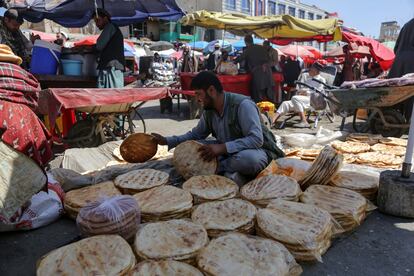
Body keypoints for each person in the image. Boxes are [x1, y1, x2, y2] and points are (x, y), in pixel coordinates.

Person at [152, 71, 284, 185]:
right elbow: (195, 135)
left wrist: (222, 148)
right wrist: (167, 141)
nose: (197, 99)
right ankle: (221, 169)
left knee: (250, 160)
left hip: (254, 151)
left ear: (211, 91)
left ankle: (216, 168)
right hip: (225, 153)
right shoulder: (209, 110)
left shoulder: (243, 105)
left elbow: (256, 140)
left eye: (199, 94)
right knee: (195, 148)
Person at [272, 62, 326, 128]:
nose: (309, 70)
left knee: (295, 98)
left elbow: (319, 93)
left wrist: (306, 93)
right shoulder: (309, 79)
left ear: (315, 70)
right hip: (302, 100)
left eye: (311, 69)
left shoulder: (321, 80)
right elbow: (303, 89)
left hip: (313, 101)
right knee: (285, 103)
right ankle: (272, 121)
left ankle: (304, 121)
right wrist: (300, 91)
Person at [237, 35, 275, 103]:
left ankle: (260, 110)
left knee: (258, 95)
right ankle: (270, 109)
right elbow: (269, 59)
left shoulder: (248, 49)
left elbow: (240, 59)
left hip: (258, 72)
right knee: (269, 93)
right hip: (268, 71)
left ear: (245, 42)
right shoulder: (262, 47)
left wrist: (233, 61)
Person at [93, 8, 125, 88]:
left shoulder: (110, 27)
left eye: (98, 20)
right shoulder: (113, 28)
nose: (96, 24)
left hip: (111, 68)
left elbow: (99, 46)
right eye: (95, 21)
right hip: (114, 68)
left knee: (109, 96)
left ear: (105, 18)